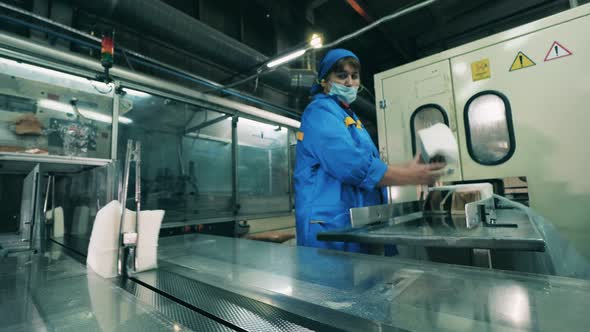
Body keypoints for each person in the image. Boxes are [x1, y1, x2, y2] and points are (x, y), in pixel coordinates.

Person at [294, 48, 446, 253]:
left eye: (354, 76)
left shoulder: (351, 119)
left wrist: (406, 169)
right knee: (330, 283)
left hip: (354, 219)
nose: (349, 82)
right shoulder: (319, 113)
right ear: (325, 81)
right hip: (328, 225)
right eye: (341, 76)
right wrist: (409, 176)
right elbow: (350, 164)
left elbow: (369, 163)